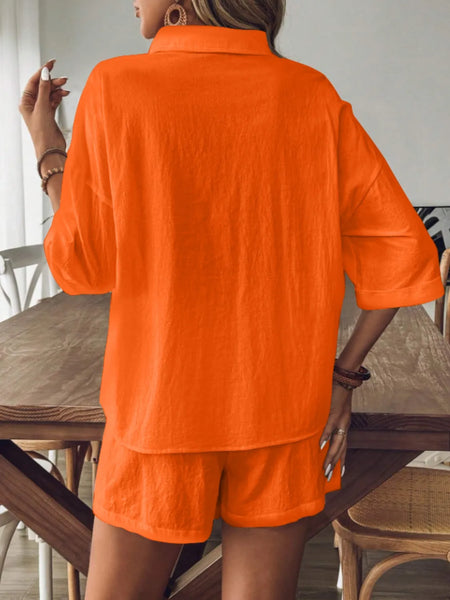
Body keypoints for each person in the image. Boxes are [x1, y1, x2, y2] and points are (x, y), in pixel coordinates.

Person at [19, 1, 444, 598]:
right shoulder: (310, 93)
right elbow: (406, 252)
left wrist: (48, 146)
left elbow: (82, 266)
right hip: (283, 406)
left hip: (160, 407)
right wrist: (343, 377)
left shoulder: (117, 85)